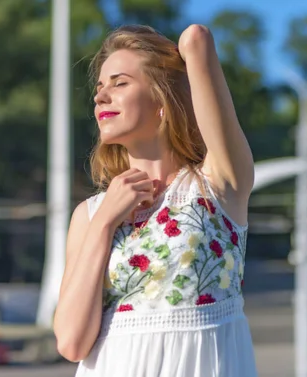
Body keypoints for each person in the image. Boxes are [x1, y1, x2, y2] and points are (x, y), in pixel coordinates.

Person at [53, 24, 257, 377]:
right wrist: (105, 224)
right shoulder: (90, 215)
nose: (101, 97)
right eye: (99, 87)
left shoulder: (218, 186)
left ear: (162, 101)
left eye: (119, 83)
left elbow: (197, 39)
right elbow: (71, 343)